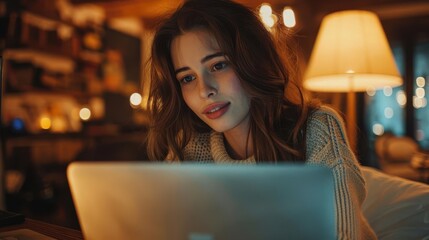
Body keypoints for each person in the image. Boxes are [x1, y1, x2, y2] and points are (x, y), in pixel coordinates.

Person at [146, 0, 376, 239]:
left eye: (218, 65)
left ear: (253, 61)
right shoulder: (191, 148)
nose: (204, 90)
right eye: (187, 78)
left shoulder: (315, 129)